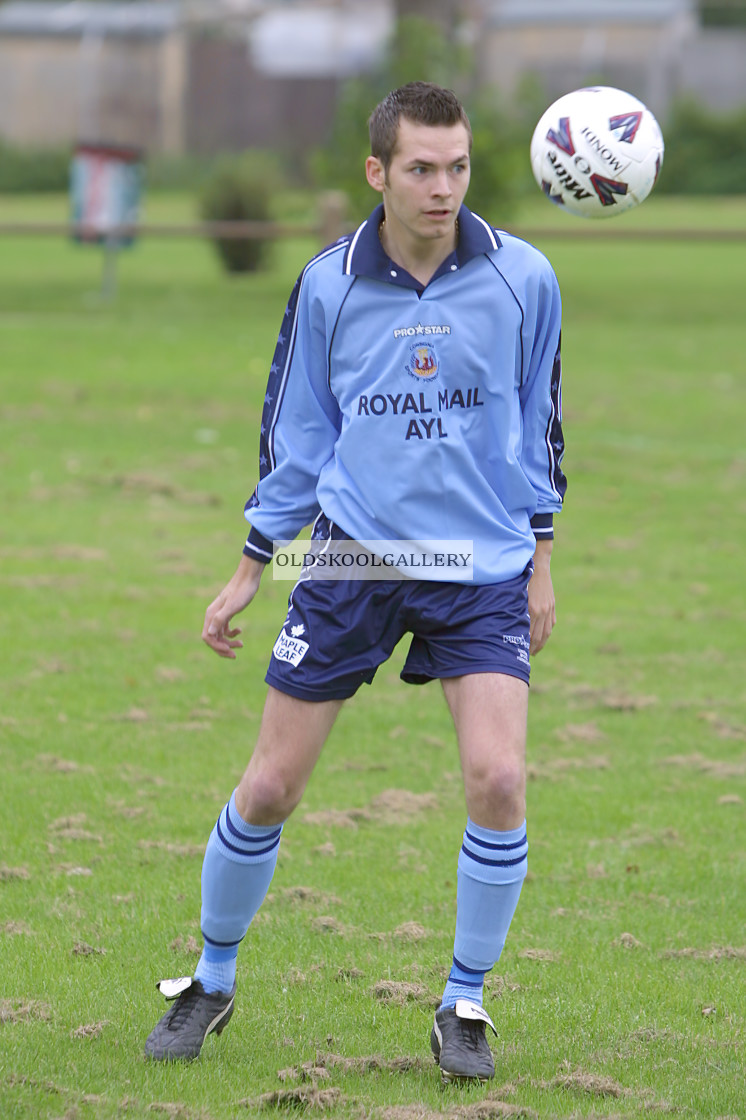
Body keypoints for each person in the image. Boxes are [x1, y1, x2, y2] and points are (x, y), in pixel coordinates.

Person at [145, 81, 566, 1083]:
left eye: (456, 166)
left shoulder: (523, 278)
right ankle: (208, 976)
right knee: (271, 784)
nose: (441, 187)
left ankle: (463, 1000)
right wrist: (254, 562)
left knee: (499, 778)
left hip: (481, 563)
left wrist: (541, 558)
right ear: (375, 171)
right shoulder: (328, 284)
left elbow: (536, 423)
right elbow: (296, 432)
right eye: (420, 167)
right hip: (348, 555)